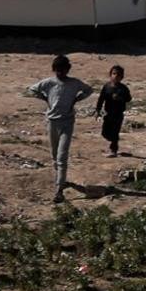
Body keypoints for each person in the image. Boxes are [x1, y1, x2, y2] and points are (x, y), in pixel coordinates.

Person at [26, 55, 94, 203]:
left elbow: (89, 90)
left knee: (62, 156)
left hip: (67, 122)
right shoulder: (49, 83)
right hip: (52, 122)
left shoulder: (74, 83)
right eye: (57, 71)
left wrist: (76, 99)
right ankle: (60, 179)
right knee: (54, 155)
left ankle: (59, 190)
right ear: (54, 70)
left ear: (67, 70)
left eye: (62, 70)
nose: (60, 73)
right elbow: (32, 89)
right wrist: (45, 98)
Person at [94, 65, 132, 157]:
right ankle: (112, 140)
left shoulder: (123, 88)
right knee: (105, 133)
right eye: (114, 74)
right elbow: (101, 99)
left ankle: (113, 149)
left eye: (118, 75)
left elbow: (128, 98)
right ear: (110, 75)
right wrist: (98, 110)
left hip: (118, 114)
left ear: (121, 77)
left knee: (115, 131)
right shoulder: (106, 87)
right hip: (108, 113)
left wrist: (120, 98)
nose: (116, 76)